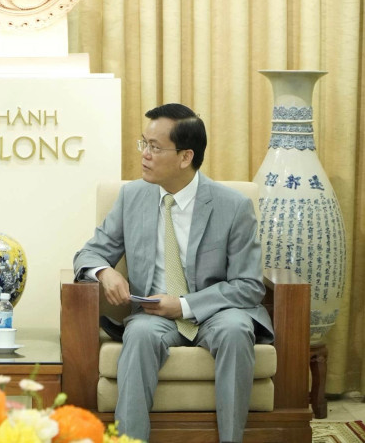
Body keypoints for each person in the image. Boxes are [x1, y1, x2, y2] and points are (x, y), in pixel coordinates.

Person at [73, 104, 274, 443]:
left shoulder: (233, 206)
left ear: (185, 157)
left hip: (216, 312)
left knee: (237, 331)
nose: (145, 155)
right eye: (144, 144)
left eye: (155, 147)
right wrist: (105, 272)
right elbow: (90, 252)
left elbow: (248, 286)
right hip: (153, 315)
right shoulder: (132, 196)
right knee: (138, 336)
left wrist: (182, 306)